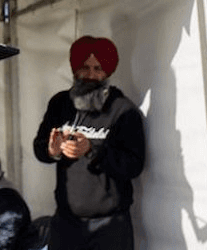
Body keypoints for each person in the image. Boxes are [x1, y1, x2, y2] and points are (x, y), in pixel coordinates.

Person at [32, 36, 146, 250]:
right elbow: (39, 148)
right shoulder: (60, 104)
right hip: (66, 223)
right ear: (75, 69)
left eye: (98, 68)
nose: (91, 75)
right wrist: (51, 150)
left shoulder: (123, 110)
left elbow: (133, 165)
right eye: (85, 67)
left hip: (110, 225)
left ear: (108, 71)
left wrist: (92, 150)